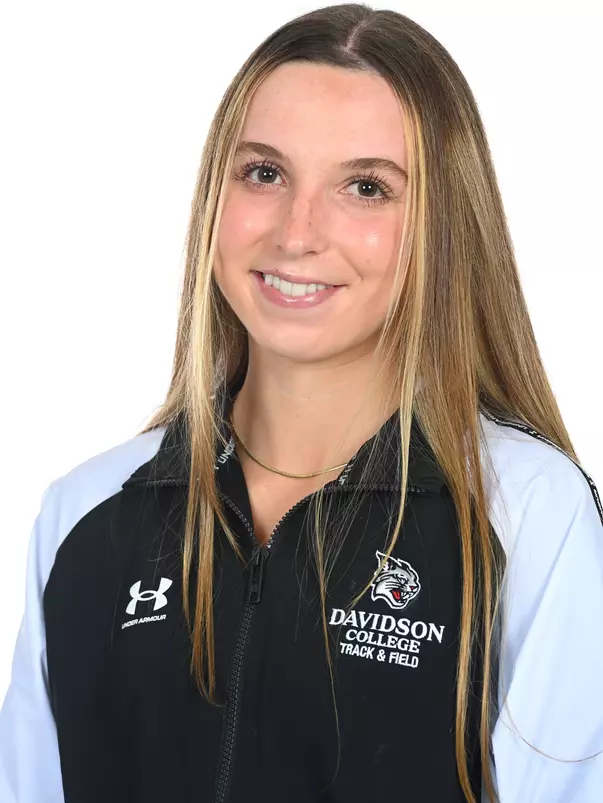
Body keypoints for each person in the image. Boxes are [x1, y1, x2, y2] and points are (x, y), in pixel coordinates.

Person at [1, 3, 602, 802]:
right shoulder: (84, 514)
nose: (296, 231)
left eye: (365, 187)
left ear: (442, 227)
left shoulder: (526, 514)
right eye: (264, 172)